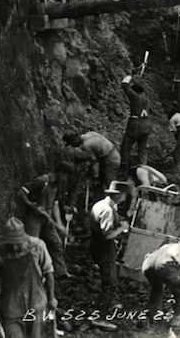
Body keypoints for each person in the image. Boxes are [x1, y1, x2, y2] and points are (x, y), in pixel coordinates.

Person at [0, 217, 57, 338]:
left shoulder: (37, 246)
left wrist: (51, 298)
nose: (16, 247)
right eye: (12, 244)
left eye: (18, 243)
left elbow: (49, 272)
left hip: (36, 305)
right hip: (11, 309)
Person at [17, 167, 74, 279]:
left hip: (47, 218)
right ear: (61, 172)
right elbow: (21, 192)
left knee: (56, 243)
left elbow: (55, 205)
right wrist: (33, 206)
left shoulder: (58, 185)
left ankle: (61, 272)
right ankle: (30, 275)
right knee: (33, 246)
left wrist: (60, 224)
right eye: (66, 176)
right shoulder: (42, 181)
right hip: (34, 217)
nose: (66, 179)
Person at [89, 181, 130, 316]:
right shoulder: (108, 210)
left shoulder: (100, 204)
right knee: (110, 281)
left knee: (106, 278)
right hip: (104, 248)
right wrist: (122, 228)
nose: (124, 198)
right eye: (124, 195)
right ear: (117, 195)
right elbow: (107, 235)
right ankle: (104, 312)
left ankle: (103, 306)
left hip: (96, 245)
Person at [142, 242, 180, 329]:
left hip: (147, 263)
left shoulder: (169, 246)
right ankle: (177, 320)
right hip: (164, 265)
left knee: (156, 288)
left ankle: (154, 315)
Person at [63, 131, 121, 198]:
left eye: (72, 143)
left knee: (109, 185)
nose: (73, 146)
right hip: (110, 155)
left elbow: (94, 161)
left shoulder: (87, 145)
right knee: (100, 185)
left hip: (111, 160)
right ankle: (98, 200)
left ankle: (110, 203)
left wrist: (95, 177)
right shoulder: (90, 134)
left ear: (75, 139)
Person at [120, 75, 151, 168]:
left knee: (126, 146)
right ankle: (144, 167)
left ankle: (123, 166)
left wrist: (129, 76)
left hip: (136, 124)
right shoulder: (146, 99)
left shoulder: (135, 97)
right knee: (142, 148)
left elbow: (125, 86)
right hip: (146, 125)